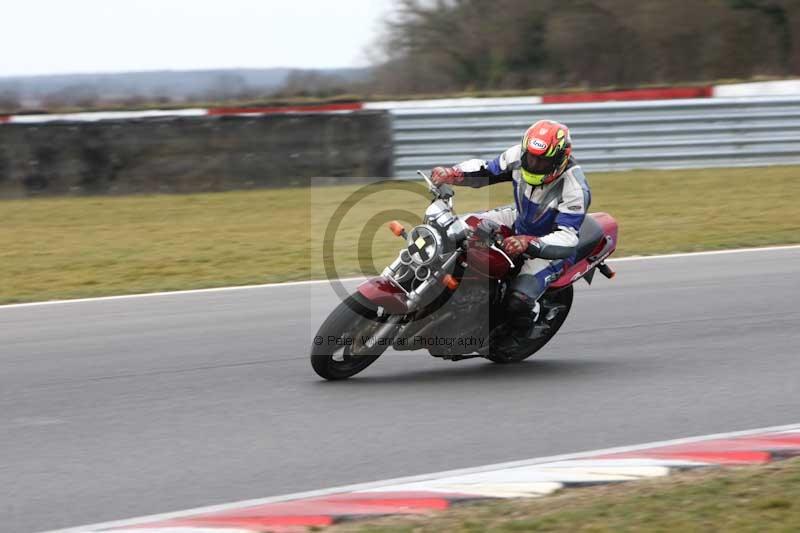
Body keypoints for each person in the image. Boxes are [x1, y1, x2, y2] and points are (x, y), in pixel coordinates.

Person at [431, 119, 591, 348]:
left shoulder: (574, 189)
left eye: (541, 161)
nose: (533, 164)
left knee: (519, 301)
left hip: (548, 246)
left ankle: (521, 333)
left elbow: (568, 237)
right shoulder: (519, 156)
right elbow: (487, 169)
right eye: (531, 157)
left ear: (560, 159)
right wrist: (454, 173)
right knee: (456, 227)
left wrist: (529, 242)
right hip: (519, 219)